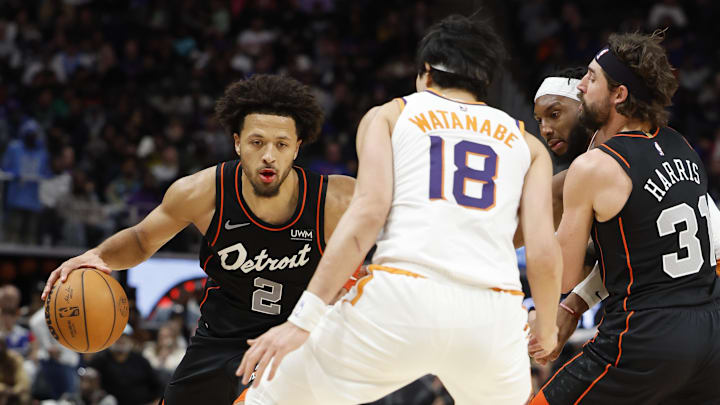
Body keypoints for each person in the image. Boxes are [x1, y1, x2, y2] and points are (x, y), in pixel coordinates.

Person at [238, 15, 562, 404]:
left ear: (426, 71)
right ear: (485, 80)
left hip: (402, 293)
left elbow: (368, 215)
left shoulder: (391, 114)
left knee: (268, 397)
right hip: (493, 309)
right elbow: (543, 250)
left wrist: (302, 319)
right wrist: (546, 326)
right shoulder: (529, 145)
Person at [41, 74, 357, 405]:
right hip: (220, 340)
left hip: (297, 338)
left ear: (297, 147)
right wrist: (99, 256)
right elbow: (140, 240)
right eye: (256, 142)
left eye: (281, 144)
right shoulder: (201, 193)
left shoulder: (335, 200)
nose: (268, 155)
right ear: (237, 143)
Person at [531, 32, 720, 404]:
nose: (582, 86)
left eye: (592, 78)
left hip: (646, 337)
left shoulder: (594, 167)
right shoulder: (682, 146)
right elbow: (645, 250)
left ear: (619, 95)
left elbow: (562, 274)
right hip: (711, 333)